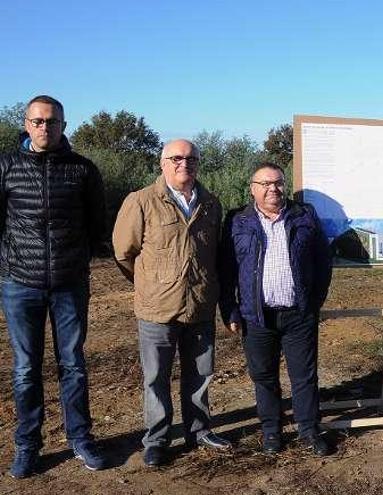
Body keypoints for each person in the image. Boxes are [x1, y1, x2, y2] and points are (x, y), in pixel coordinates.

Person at [0, 95, 107, 477]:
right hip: (19, 284)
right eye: (39, 121)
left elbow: (97, 225)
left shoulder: (82, 170)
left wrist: (79, 262)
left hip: (69, 285)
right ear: (27, 124)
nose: (46, 127)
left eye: (53, 121)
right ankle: (27, 445)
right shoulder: (6, 166)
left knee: (74, 365)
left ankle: (80, 438)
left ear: (64, 125)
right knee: (26, 369)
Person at [113, 139, 231, 467]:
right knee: (156, 377)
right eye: (176, 158)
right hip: (156, 309)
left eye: (191, 158)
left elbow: (213, 255)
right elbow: (124, 253)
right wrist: (150, 284)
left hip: (200, 303)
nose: (184, 163)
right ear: (162, 163)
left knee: (201, 372)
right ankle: (157, 439)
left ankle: (199, 429)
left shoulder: (211, 203)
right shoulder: (140, 201)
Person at [219, 163, 333, 455]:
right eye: (266, 183)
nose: (274, 189)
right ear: (252, 188)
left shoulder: (304, 215)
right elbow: (226, 270)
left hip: (298, 313)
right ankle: (271, 431)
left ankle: (309, 429)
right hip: (256, 316)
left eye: (279, 182)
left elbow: (323, 261)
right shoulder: (237, 220)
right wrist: (230, 310)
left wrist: (314, 301)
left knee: (305, 376)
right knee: (263, 376)